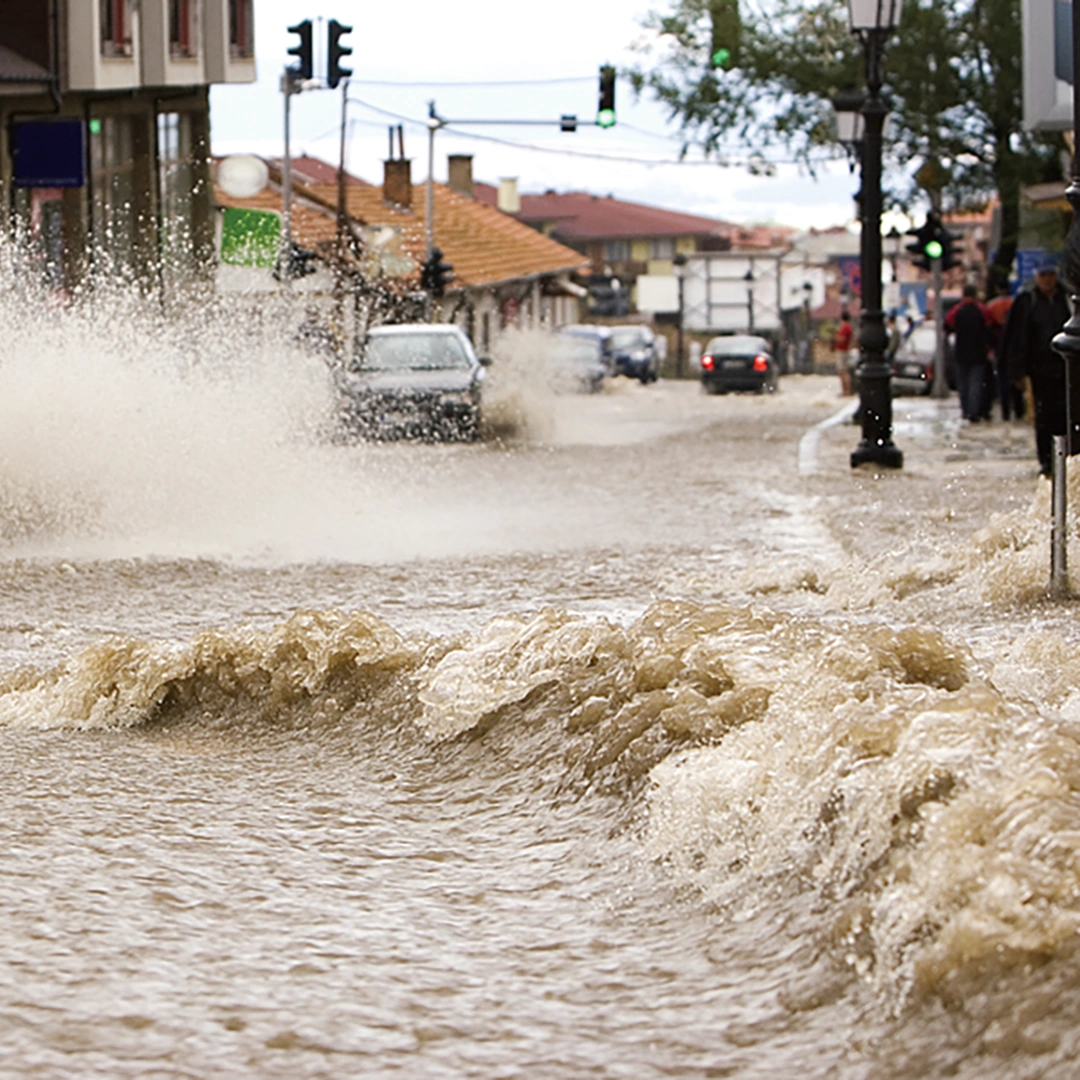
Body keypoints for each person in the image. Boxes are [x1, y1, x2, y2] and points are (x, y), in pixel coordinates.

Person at [1000, 261, 1076, 477]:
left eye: (1051, 276)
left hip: (1066, 371)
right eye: (1043, 276)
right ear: (1036, 278)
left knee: (1066, 418)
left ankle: (1067, 461)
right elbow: (1015, 337)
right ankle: (1047, 462)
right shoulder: (1027, 302)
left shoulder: (1068, 299)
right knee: (1043, 419)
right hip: (1039, 372)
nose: (1047, 281)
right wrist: (1016, 372)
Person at [945, 284, 993, 423]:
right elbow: (990, 327)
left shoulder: (956, 310)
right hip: (979, 353)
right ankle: (974, 412)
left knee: (963, 384)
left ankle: (965, 411)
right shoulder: (982, 310)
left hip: (961, 352)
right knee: (976, 383)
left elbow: (947, 325)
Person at [985, 278, 1023, 420]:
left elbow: (987, 327)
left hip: (999, 349)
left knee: (1002, 382)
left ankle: (1005, 412)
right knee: (1016, 381)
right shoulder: (1016, 304)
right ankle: (1019, 411)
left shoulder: (991, 306)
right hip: (1014, 348)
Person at [833, 310, 855, 395]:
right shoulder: (849, 326)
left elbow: (842, 339)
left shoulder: (845, 327)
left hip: (842, 351)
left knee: (843, 371)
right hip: (845, 350)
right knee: (843, 371)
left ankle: (846, 391)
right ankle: (846, 391)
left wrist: (836, 337)